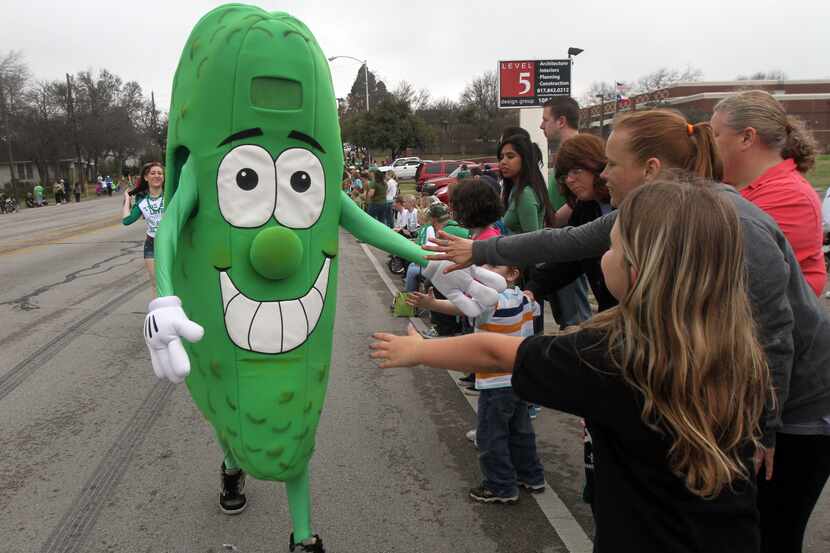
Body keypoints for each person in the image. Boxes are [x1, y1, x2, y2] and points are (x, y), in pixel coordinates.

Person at [427, 109, 830, 553]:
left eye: (613, 164)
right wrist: (481, 249)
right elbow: (568, 242)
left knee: (767, 530)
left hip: (795, 403)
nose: (605, 175)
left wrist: (762, 431)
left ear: (651, 169)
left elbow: (775, 332)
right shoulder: (654, 211)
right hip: (730, 393)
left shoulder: (728, 220)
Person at [374, 182, 770, 553]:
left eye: (611, 248)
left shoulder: (615, 355)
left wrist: (420, 350)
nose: (603, 256)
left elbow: (496, 353)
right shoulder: (742, 349)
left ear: (639, 268)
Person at [406, 264, 546, 504]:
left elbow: (468, 308)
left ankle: (500, 486)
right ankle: (531, 476)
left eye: (492, 266)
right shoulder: (524, 299)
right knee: (521, 431)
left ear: (512, 274)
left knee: (491, 436)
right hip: (521, 378)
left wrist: (433, 305)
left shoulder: (489, 304)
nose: (483, 269)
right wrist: (434, 304)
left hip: (495, 382)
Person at [711, 90, 826, 296]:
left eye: (715, 135)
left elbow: (719, 266)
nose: (709, 144)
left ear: (747, 137)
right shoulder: (733, 185)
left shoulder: (791, 197)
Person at [538, 96, 593, 332]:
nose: (542, 126)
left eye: (545, 119)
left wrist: (551, 222)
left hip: (570, 243)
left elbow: (578, 200)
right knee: (566, 317)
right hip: (560, 242)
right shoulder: (563, 153)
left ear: (561, 121)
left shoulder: (577, 153)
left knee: (575, 318)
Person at [122, 162, 165, 297]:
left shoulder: (171, 196)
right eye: (153, 173)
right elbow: (127, 220)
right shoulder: (142, 202)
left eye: (160, 173)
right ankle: (159, 316)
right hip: (151, 245)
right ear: (146, 178)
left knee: (176, 281)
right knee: (156, 284)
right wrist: (127, 200)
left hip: (172, 243)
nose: (157, 176)